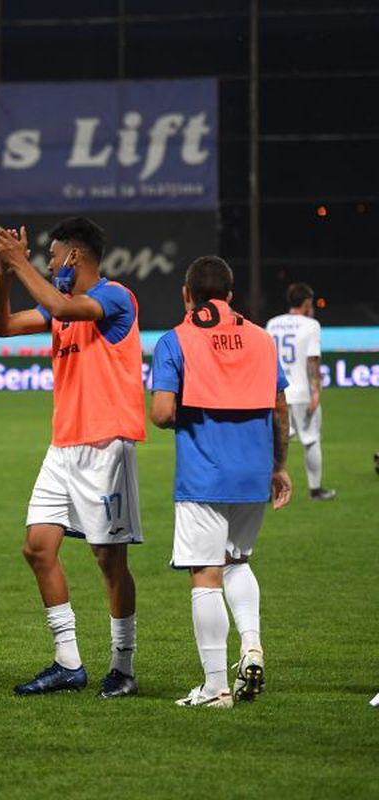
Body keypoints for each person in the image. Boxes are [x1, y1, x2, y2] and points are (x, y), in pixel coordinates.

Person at [0, 217, 144, 699]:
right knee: (37, 547)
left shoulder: (116, 297)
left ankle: (122, 666)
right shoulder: (61, 308)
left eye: (54, 255)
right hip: (64, 447)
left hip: (106, 448)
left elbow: (58, 304)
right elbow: (2, 327)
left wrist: (21, 261)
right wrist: (4, 274)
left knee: (108, 559)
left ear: (74, 256)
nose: (50, 262)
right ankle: (68, 662)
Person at [149, 256, 292, 708]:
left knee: (206, 574)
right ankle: (251, 646)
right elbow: (280, 407)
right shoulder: (261, 339)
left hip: (204, 474)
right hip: (253, 472)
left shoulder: (176, 340)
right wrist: (279, 466)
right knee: (238, 561)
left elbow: (163, 412)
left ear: (187, 295)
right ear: (230, 296)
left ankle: (215, 688)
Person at [265, 283, 335, 500]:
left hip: (276, 391)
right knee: (311, 439)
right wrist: (316, 392)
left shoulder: (272, 324)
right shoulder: (311, 325)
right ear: (306, 303)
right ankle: (315, 490)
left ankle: (266, 491)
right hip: (302, 391)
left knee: (274, 442)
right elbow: (312, 359)